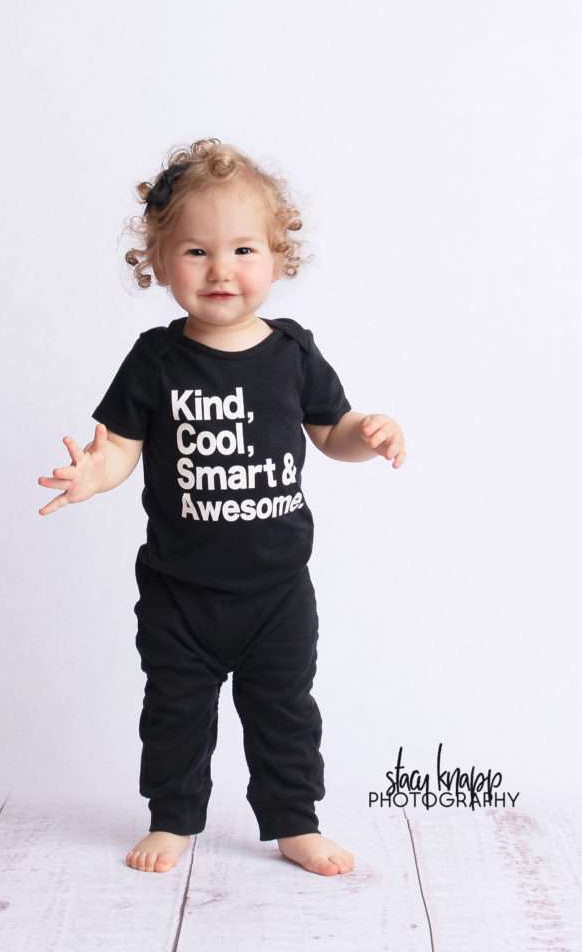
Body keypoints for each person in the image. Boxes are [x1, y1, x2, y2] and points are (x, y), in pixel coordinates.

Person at [37, 138, 406, 876]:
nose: (221, 270)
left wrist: (367, 434)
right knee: (174, 712)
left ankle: (295, 821)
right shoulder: (155, 359)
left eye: (242, 250)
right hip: (180, 594)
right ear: (159, 259)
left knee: (285, 710)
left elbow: (330, 432)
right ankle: (172, 819)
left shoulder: (292, 353)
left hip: (277, 592)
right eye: (196, 252)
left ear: (276, 257)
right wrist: (94, 474)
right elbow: (122, 448)